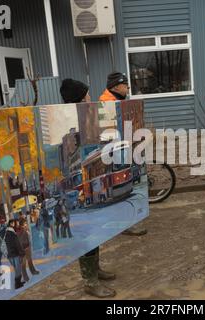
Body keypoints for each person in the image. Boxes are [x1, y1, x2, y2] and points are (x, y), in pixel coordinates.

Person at [60, 78, 117, 298]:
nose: (91, 98)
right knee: (86, 232)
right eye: (87, 95)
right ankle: (89, 280)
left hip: (90, 183)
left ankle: (96, 269)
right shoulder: (70, 124)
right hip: (78, 188)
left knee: (95, 230)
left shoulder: (83, 118)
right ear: (80, 98)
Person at [99, 71, 148, 237]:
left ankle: (125, 221)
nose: (128, 87)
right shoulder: (108, 103)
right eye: (125, 84)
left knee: (125, 187)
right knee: (121, 189)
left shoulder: (116, 100)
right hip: (115, 151)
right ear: (115, 86)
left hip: (120, 148)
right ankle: (125, 225)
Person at [4, 219, 26, 289]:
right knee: (18, 269)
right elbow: (17, 244)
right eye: (14, 224)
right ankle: (17, 284)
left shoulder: (6, 233)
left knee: (16, 269)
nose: (15, 225)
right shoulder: (13, 234)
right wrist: (22, 252)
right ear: (11, 224)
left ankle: (18, 283)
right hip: (15, 254)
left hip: (10, 255)